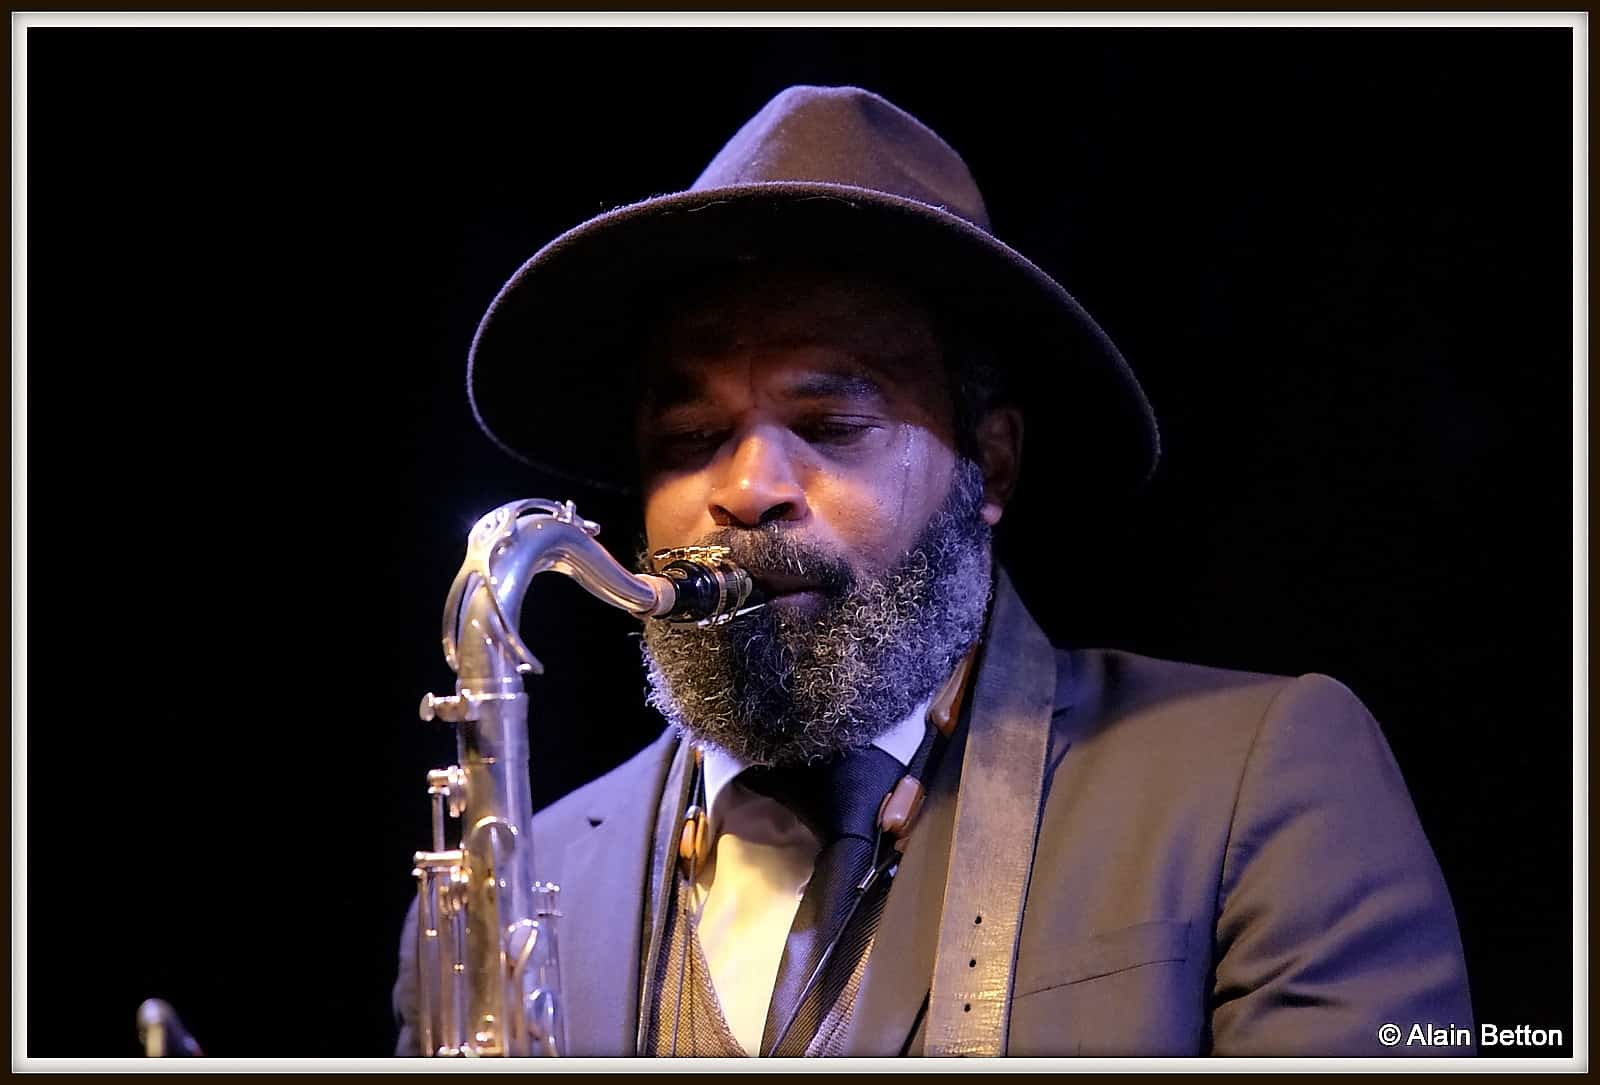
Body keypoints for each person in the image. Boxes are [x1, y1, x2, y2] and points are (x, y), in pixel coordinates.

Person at [393, 84, 1473, 1058]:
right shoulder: (510, 886)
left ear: (989, 463)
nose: (748, 488)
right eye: (689, 439)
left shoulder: (1258, 778)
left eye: (832, 424)